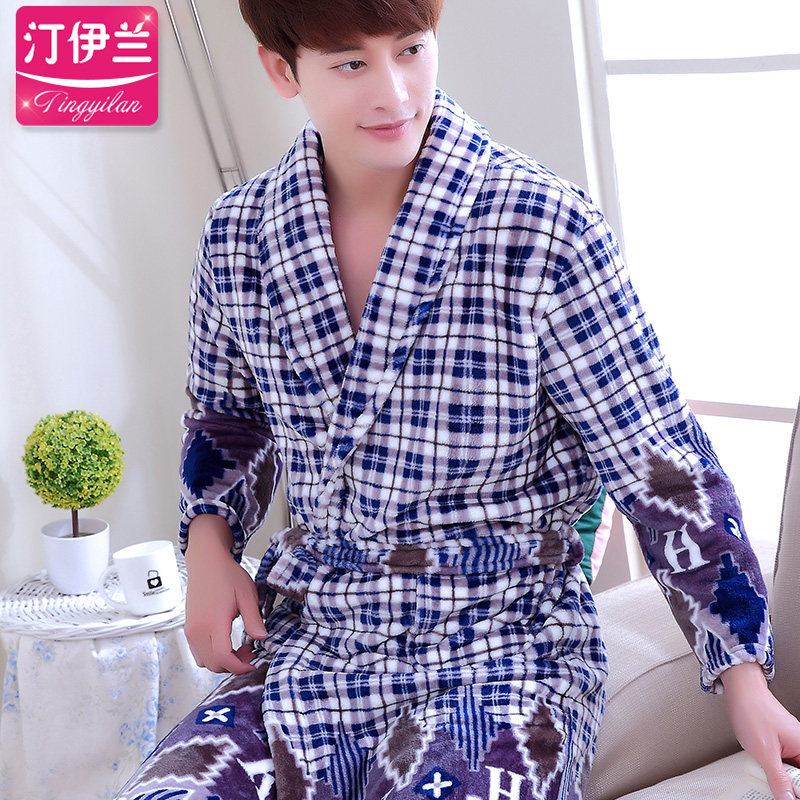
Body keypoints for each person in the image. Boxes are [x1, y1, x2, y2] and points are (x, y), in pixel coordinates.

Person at [117, 2, 800, 799]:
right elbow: (226, 415)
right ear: (281, 69)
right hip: (318, 638)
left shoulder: (543, 227)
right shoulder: (239, 235)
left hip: (505, 647)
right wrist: (209, 543)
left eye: (411, 48)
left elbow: (657, 458)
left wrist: (744, 675)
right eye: (351, 63)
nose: (394, 91)